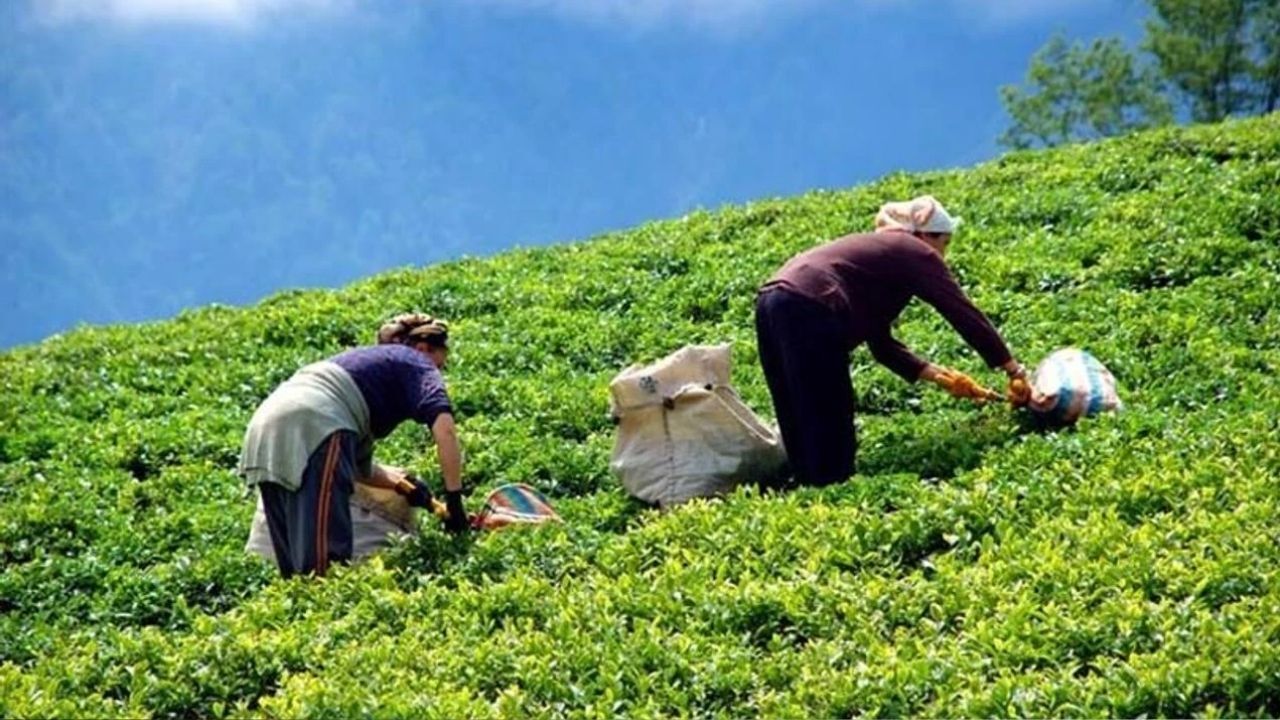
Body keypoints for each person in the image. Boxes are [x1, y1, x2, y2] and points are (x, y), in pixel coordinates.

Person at [755, 195, 1031, 488]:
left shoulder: (884, 256)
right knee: (829, 408)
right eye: (944, 244)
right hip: (811, 304)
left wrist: (944, 378)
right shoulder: (913, 251)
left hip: (770, 301)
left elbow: (882, 346)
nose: (943, 255)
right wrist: (1011, 367)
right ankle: (832, 489)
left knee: (795, 403)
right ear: (925, 236)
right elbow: (960, 311)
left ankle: (807, 484)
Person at [238, 313, 468, 578]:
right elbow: (446, 431)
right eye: (440, 366)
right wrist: (455, 501)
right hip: (316, 423)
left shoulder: (361, 373)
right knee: (326, 567)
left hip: (265, 428)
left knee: (294, 565)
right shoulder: (416, 361)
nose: (438, 374)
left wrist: (406, 486)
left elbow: (359, 469)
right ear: (425, 348)